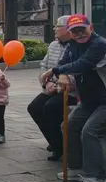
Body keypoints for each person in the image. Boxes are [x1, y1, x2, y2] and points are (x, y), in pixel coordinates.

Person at [41, 14, 106, 182]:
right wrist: (62, 73)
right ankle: (76, 168)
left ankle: (98, 180)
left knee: (89, 131)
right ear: (70, 33)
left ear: (91, 27)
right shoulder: (73, 45)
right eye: (74, 30)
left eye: (82, 28)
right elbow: (65, 63)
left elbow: (83, 64)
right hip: (90, 100)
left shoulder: (100, 45)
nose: (79, 33)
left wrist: (56, 71)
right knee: (68, 125)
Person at [27, 15, 77, 161]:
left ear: (68, 29)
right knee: (34, 107)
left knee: (50, 108)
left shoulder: (76, 47)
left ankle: (60, 146)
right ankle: (54, 142)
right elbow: (44, 65)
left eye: (58, 26)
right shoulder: (53, 45)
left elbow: (77, 73)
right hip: (51, 87)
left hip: (70, 91)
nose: (55, 29)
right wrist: (46, 83)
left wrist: (59, 87)